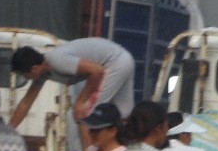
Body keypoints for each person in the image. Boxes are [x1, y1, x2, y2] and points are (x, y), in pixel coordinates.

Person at [8, 39, 136, 139]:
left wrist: (81, 101)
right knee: (123, 116)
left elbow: (97, 71)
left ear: (34, 69)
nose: (26, 78)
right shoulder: (42, 72)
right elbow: (26, 103)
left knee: (86, 116)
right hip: (125, 59)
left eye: (24, 75)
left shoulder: (56, 61)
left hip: (113, 63)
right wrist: (9, 130)